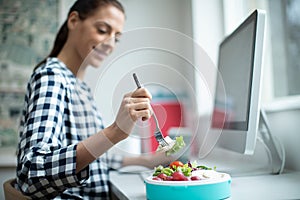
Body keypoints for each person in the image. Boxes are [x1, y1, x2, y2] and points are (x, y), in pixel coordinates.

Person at [15, 0, 174, 199]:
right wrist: (115, 132)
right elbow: (31, 175)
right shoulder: (52, 78)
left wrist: (147, 160)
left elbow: (93, 160)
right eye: (102, 30)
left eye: (116, 38)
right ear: (73, 20)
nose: (109, 43)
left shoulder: (78, 86)